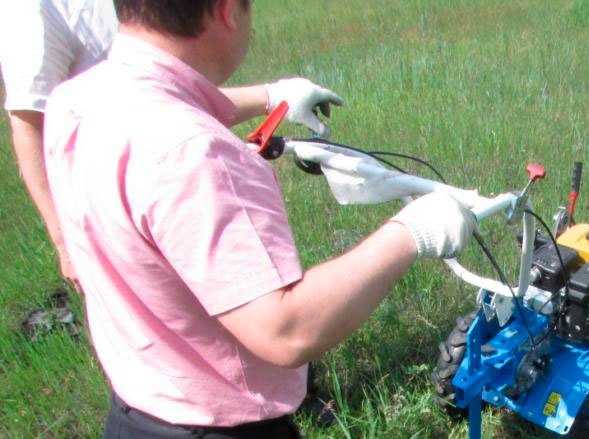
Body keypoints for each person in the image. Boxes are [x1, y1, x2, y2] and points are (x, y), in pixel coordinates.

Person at [42, 0, 477, 439]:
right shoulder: (196, 154)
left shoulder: (79, 99)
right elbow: (287, 329)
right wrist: (411, 233)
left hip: (142, 429)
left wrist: (272, 96)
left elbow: (168, 99)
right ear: (225, 10)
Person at [0, 0, 344, 287]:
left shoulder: (80, 97)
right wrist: (66, 241)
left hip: (154, 188)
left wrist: (274, 95)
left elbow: (158, 95)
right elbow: (29, 121)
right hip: (127, 208)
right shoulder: (34, 8)